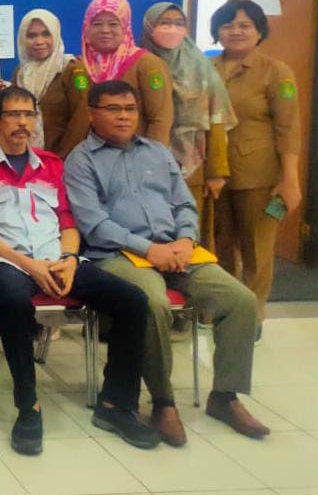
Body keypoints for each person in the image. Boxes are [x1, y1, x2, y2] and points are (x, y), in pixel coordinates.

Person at [64, 79, 268, 448]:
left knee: (240, 299)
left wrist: (186, 240)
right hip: (118, 254)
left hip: (177, 250)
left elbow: (184, 204)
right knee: (152, 303)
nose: (124, 116)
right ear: (93, 114)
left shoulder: (158, 153)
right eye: (113, 109)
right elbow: (93, 222)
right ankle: (163, 401)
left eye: (130, 109)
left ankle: (225, 396)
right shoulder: (81, 160)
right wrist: (149, 249)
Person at [0, 85, 157, 455]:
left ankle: (116, 404)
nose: (22, 123)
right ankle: (28, 406)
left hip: (57, 257)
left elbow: (68, 221)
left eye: (28, 115)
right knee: (13, 302)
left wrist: (68, 259)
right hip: (7, 261)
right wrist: (28, 265)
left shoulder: (52, 164)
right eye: (13, 115)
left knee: (133, 300)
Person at [210, 0, 301, 325]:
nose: (236, 31)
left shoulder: (276, 72)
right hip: (213, 173)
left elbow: (288, 128)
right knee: (218, 245)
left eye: (245, 25)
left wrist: (290, 178)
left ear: (259, 31)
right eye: (227, 25)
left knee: (256, 250)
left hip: (259, 176)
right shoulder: (206, 68)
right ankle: (225, 308)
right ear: (217, 31)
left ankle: (252, 317)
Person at [139, 2, 236, 250]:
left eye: (179, 23)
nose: (172, 29)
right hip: (144, 164)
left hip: (191, 166)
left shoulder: (200, 67)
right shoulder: (137, 60)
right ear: (149, 26)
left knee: (190, 232)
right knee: (150, 232)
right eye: (164, 23)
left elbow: (216, 119)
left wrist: (216, 172)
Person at [42, 0, 174, 158]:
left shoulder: (147, 64)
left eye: (113, 24)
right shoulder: (77, 66)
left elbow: (160, 119)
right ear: (87, 27)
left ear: (125, 27)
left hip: (132, 160)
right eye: (97, 24)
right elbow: (56, 119)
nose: (105, 30)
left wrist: (151, 160)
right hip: (83, 160)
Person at [12, 9, 75, 148]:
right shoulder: (20, 74)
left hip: (64, 155)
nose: (39, 41)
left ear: (56, 34)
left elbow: (81, 116)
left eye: (46, 34)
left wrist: (65, 155)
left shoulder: (75, 70)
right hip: (26, 153)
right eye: (31, 35)